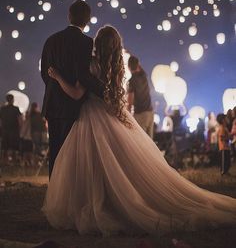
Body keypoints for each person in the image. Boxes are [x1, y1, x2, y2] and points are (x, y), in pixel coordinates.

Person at [43, 26, 236, 236]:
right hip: (112, 116)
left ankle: (101, 202)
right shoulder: (118, 70)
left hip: (90, 116)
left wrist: (57, 77)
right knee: (119, 164)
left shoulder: (90, 67)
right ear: (117, 47)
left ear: (96, 44)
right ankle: (113, 201)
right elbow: (120, 98)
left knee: (93, 164)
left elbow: (75, 93)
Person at [41, 0, 102, 177]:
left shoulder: (51, 40)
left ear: (69, 15)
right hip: (72, 106)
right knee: (71, 154)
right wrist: (100, 91)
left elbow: (45, 73)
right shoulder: (86, 42)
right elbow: (83, 74)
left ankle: (54, 193)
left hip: (52, 103)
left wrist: (55, 86)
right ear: (88, 20)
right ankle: (67, 192)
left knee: (55, 150)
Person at [127, 56, 154, 139]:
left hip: (140, 114)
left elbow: (130, 100)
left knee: (141, 141)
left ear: (128, 67)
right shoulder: (144, 76)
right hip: (150, 112)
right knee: (150, 142)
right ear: (138, 65)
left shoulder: (131, 81)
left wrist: (127, 113)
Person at [0, 94, 22, 165]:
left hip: (5, 130)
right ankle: (14, 162)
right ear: (12, 100)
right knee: (14, 147)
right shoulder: (16, 108)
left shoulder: (2, 109)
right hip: (14, 130)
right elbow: (20, 120)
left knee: (5, 148)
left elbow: (0, 121)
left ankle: (4, 162)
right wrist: (20, 128)